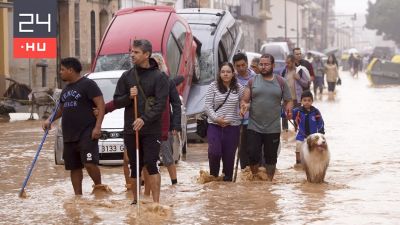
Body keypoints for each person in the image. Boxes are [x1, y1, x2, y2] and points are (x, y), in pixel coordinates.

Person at [113, 39, 169, 204]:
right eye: (131, 51)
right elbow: (117, 101)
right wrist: (129, 97)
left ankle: (156, 204)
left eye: (136, 52)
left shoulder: (159, 77)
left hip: (151, 129)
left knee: (152, 163)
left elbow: (160, 105)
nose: (132, 55)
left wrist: (144, 119)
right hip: (131, 128)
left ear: (147, 54)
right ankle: (135, 202)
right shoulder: (127, 76)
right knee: (134, 165)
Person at [42, 57, 106, 195]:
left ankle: (100, 188)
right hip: (69, 134)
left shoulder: (88, 85)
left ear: (71, 70)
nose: (60, 72)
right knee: (74, 167)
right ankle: (78, 197)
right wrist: (49, 120)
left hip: (87, 132)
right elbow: (60, 109)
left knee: (89, 163)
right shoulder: (66, 89)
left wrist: (98, 127)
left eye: (62, 69)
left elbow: (101, 104)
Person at [240, 54, 293, 181]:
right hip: (254, 126)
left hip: (273, 127)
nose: (263, 67)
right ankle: (255, 178)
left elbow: (288, 100)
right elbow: (245, 99)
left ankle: (269, 182)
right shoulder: (252, 81)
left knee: (271, 158)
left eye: (266, 64)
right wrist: (244, 106)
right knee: (252, 154)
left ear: (273, 66)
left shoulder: (281, 82)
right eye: (261, 64)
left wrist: (288, 109)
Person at [204, 62, 244, 181]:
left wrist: (243, 109)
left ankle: (227, 185)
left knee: (229, 157)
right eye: (223, 72)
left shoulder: (239, 88)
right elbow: (207, 106)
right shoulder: (213, 86)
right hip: (214, 126)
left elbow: (244, 102)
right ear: (219, 73)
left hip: (232, 127)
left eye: (228, 72)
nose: (225, 74)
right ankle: (214, 179)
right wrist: (217, 119)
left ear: (233, 74)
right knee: (214, 153)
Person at [232, 52, 256, 170]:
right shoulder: (232, 80)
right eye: (238, 66)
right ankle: (245, 174)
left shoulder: (256, 78)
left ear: (247, 64)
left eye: (243, 65)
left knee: (254, 150)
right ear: (234, 66)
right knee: (241, 150)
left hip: (254, 120)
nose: (241, 68)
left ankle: (255, 174)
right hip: (238, 120)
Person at [290, 90, 325, 165]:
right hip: (301, 136)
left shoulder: (316, 112)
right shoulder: (298, 111)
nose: (307, 102)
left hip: (313, 136)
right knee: (298, 145)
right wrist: (283, 113)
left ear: (312, 101)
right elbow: (289, 115)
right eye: (304, 100)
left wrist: (321, 132)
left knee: (316, 149)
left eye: (309, 100)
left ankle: (317, 163)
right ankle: (298, 163)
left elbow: (320, 122)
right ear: (301, 101)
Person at [280, 55, 310, 131]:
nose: (287, 64)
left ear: (293, 62)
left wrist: (298, 79)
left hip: (297, 99)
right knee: (284, 117)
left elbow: (306, 84)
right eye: (286, 63)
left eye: (289, 63)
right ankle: (285, 133)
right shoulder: (284, 71)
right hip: (286, 99)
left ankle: (296, 132)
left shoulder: (299, 71)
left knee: (296, 117)